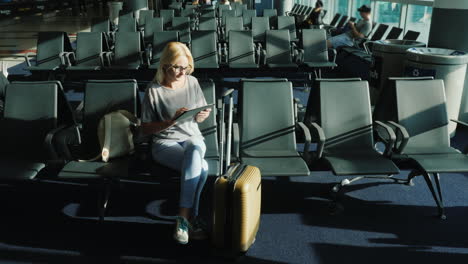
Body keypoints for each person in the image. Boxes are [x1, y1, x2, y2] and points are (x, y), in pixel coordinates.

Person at [141, 42, 212, 245]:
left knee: (195, 150)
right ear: (165, 66)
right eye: (177, 67)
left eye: (186, 67)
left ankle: (181, 216)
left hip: (192, 137)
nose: (182, 72)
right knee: (202, 167)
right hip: (165, 143)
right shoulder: (154, 90)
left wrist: (201, 115)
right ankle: (192, 218)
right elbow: (145, 129)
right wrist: (171, 121)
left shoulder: (192, 82)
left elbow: (198, 119)